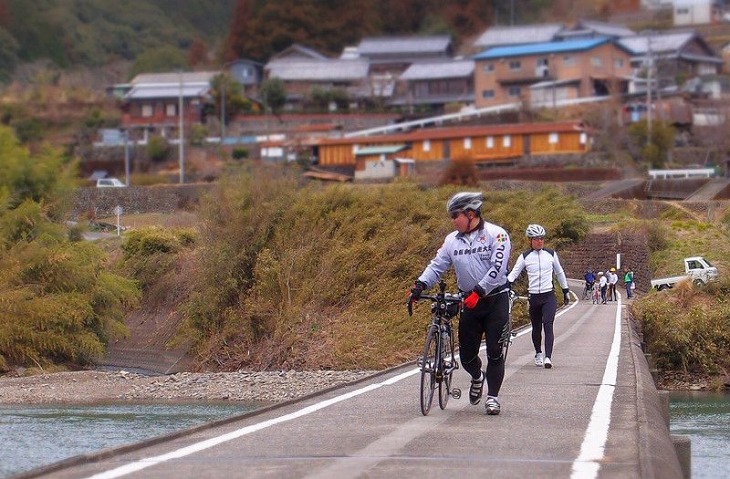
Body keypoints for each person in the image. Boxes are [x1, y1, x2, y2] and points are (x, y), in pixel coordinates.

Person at [408, 192, 511, 416]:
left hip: (495, 300)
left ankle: (493, 397)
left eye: (456, 215)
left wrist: (480, 290)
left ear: (470, 214)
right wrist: (420, 285)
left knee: (495, 351)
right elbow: (437, 265)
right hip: (470, 302)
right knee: (466, 356)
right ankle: (477, 377)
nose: (453, 220)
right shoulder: (452, 240)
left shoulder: (497, 235)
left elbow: (498, 268)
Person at [506, 224, 569, 369]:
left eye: (542, 238)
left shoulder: (551, 254)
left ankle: (548, 357)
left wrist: (565, 290)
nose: (540, 241)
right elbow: (514, 274)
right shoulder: (525, 257)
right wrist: (506, 284)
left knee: (548, 324)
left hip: (548, 296)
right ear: (530, 240)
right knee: (536, 328)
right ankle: (538, 353)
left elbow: (559, 272)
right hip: (534, 297)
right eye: (536, 239)